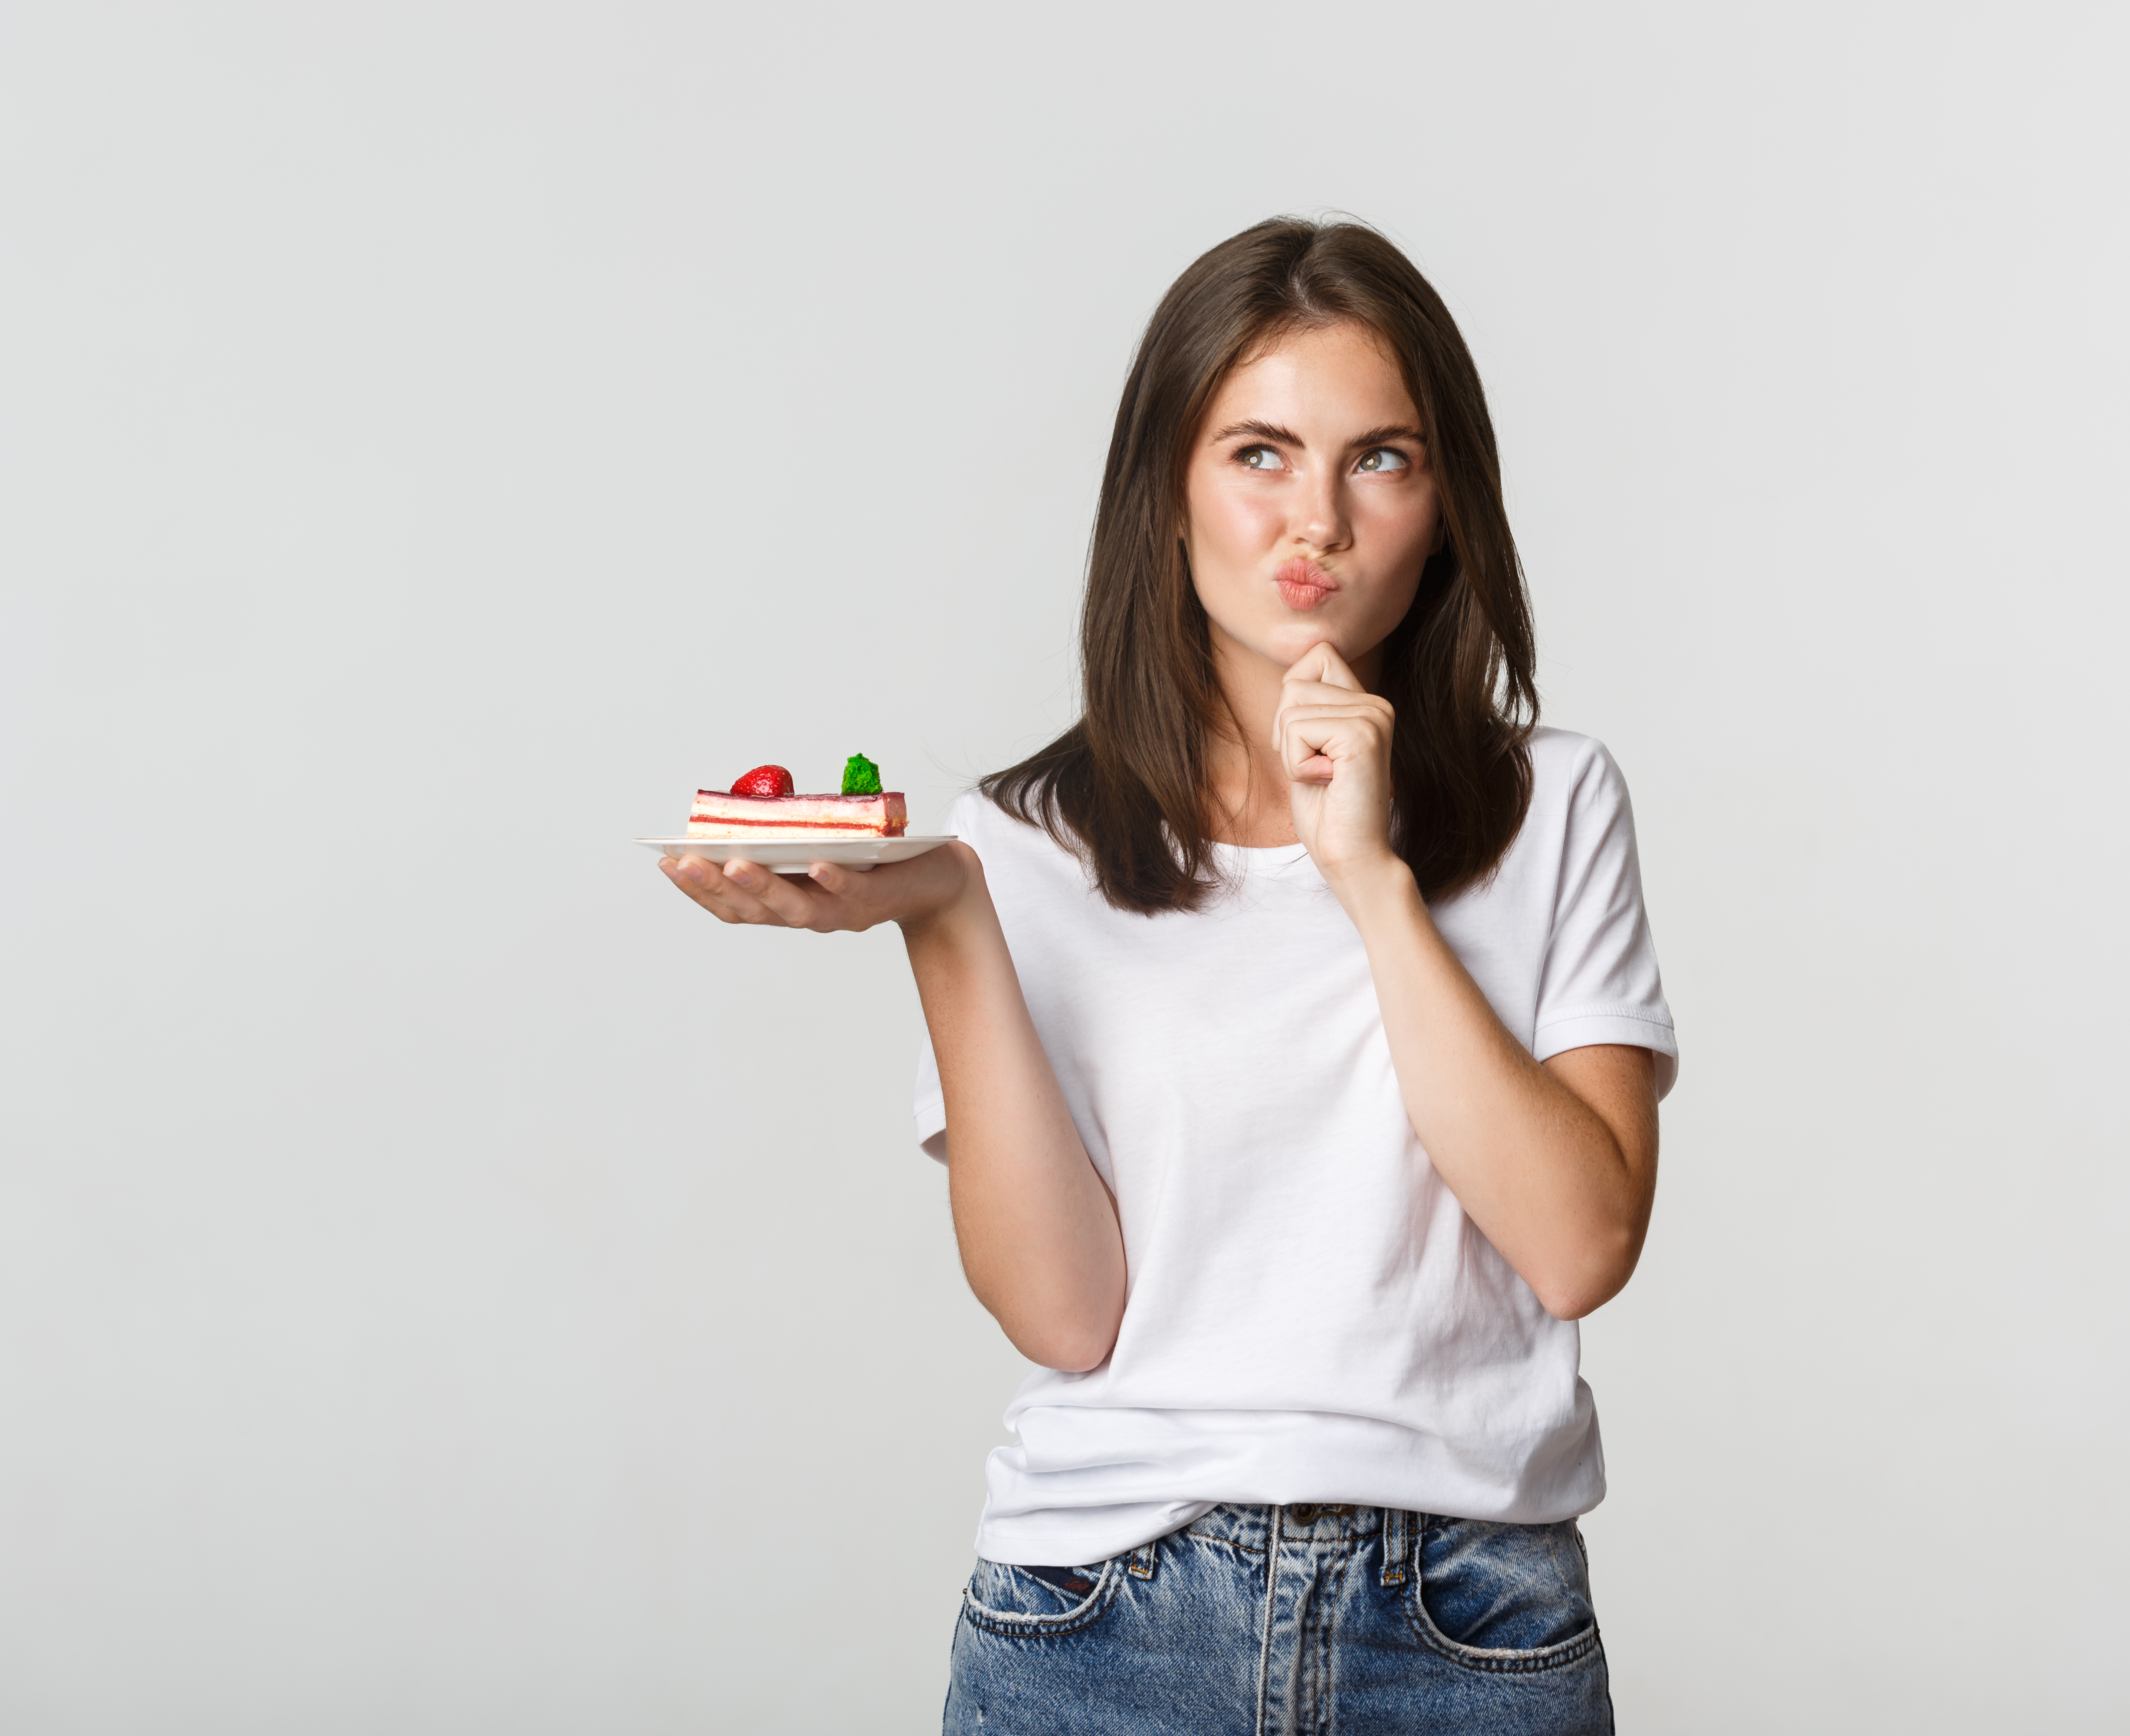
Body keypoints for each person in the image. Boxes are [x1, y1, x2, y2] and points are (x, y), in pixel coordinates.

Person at [660, 217, 1675, 1734]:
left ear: (1447, 502)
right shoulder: (1019, 841)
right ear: (1169, 490)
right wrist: (948, 916)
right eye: (1258, 453)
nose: (1314, 522)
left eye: (1381, 459)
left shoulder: (1557, 804)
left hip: (1469, 1631)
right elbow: (1068, 1316)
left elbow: (1582, 1242)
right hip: (1100, 1621)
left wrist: (1370, 879)